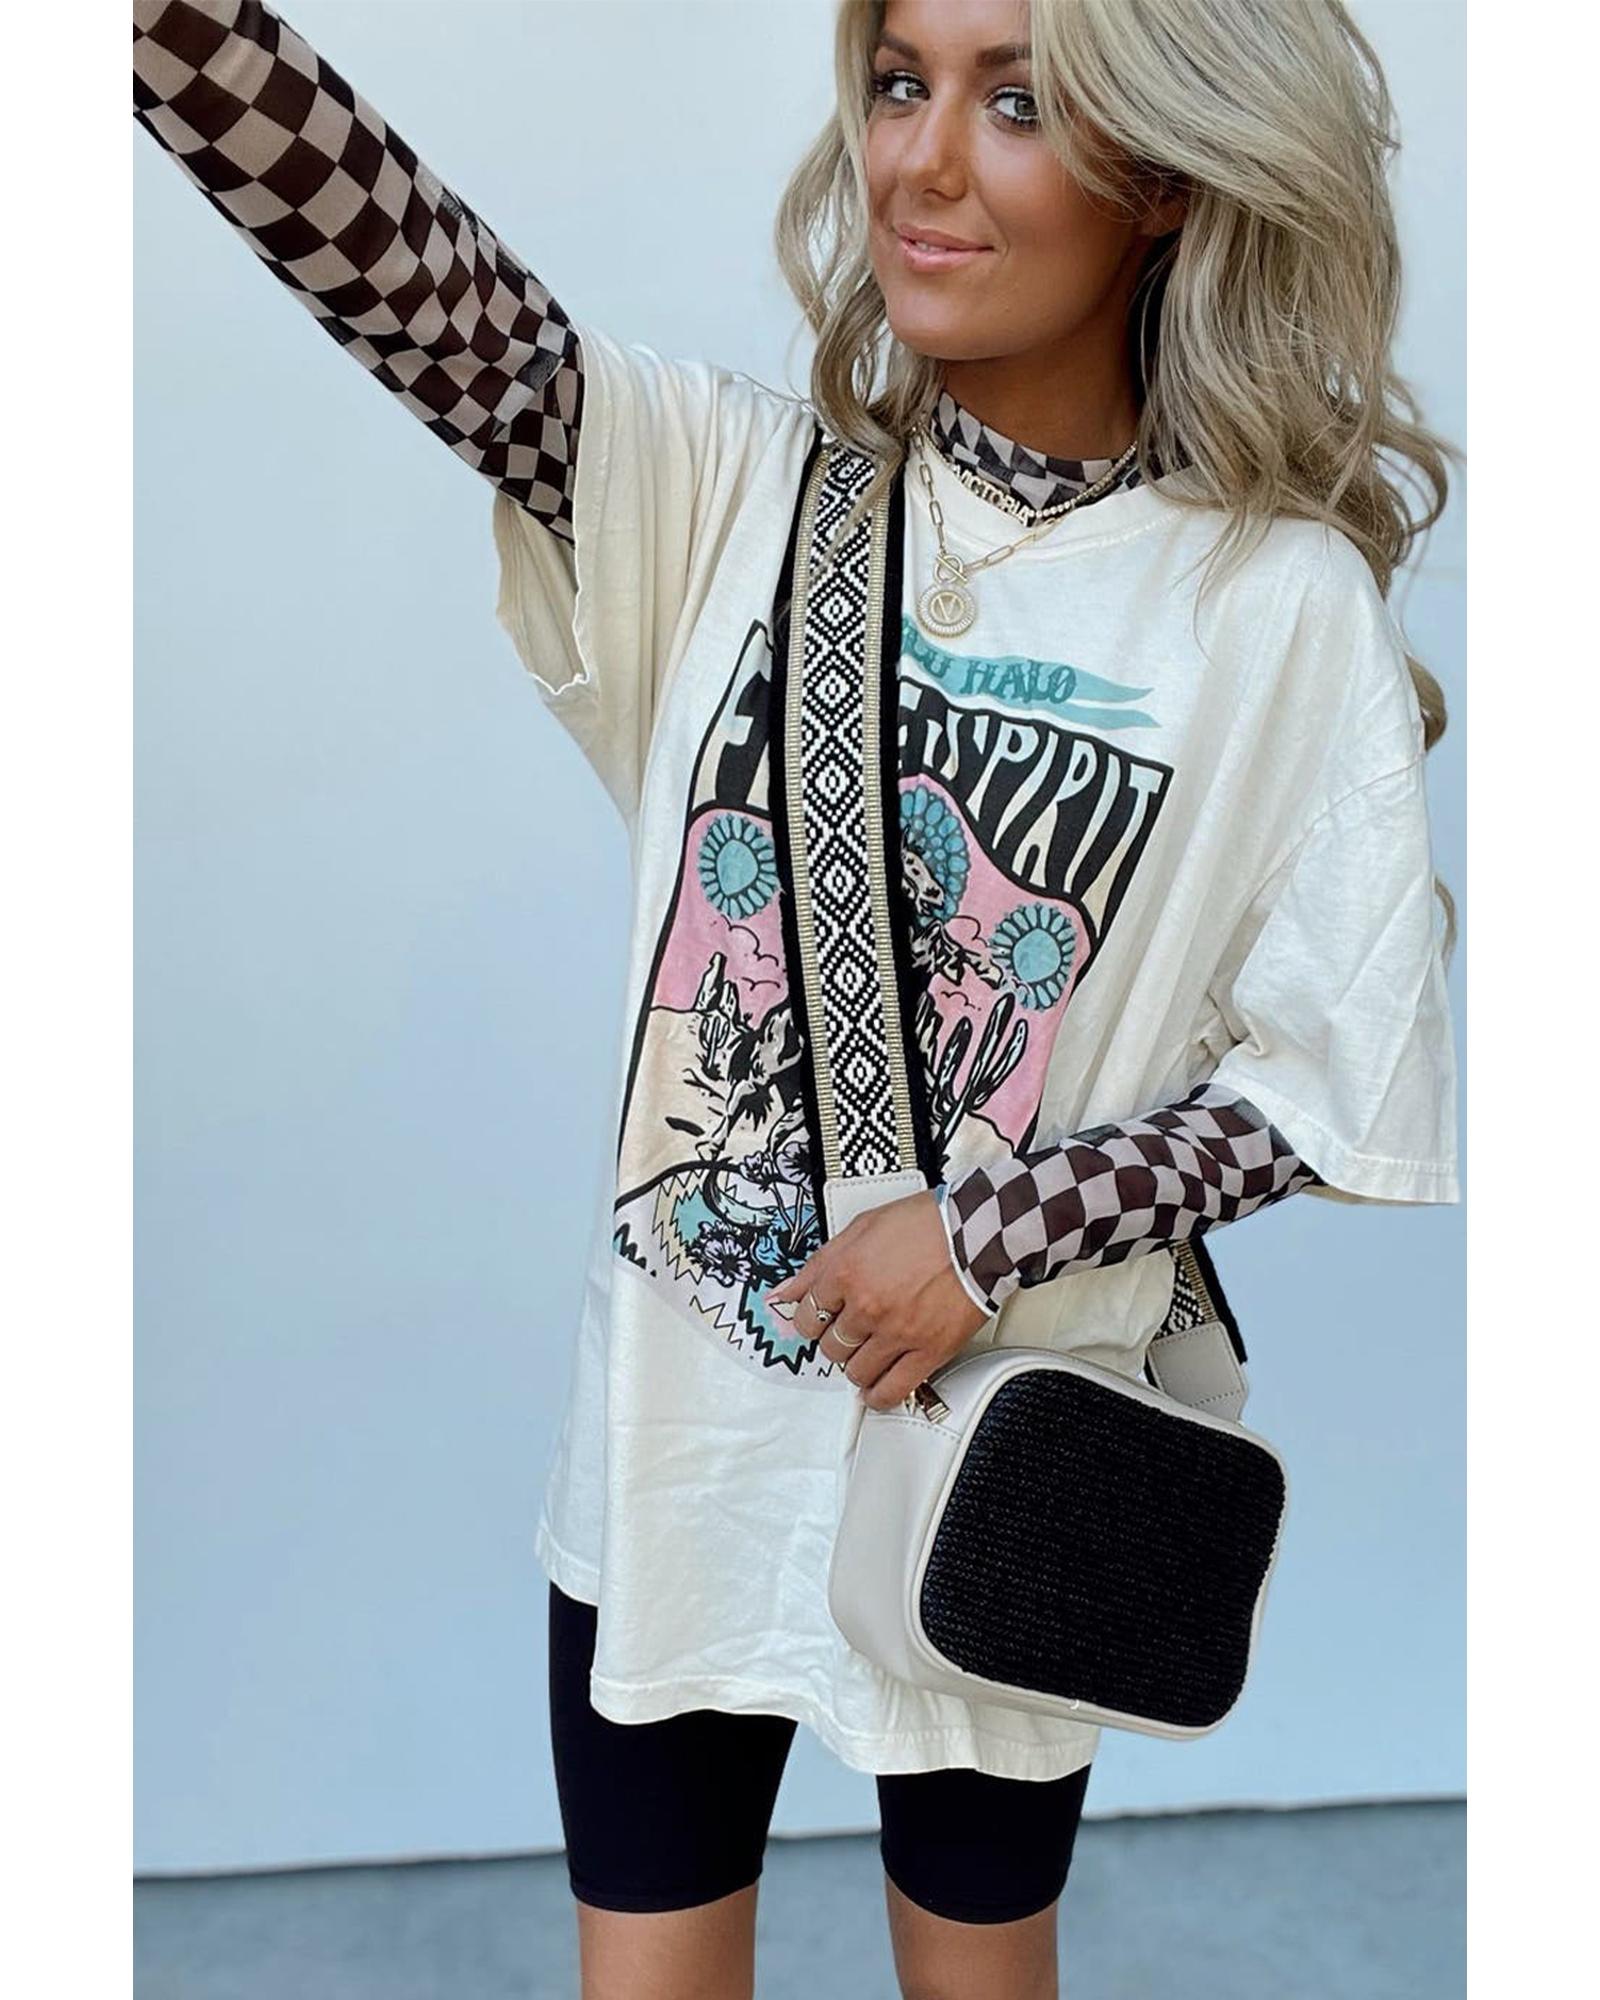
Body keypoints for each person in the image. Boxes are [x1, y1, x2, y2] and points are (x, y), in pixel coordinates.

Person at [132, 0, 1461, 1994]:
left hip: (1007, 1463)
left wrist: (987, 1235)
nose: (920, 158)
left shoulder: (1270, 609)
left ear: (1167, 174)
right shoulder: (731, 493)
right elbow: (405, 276)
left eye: (1019, 102)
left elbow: (1327, 1081)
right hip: (676, 1462)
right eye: (899, 81)